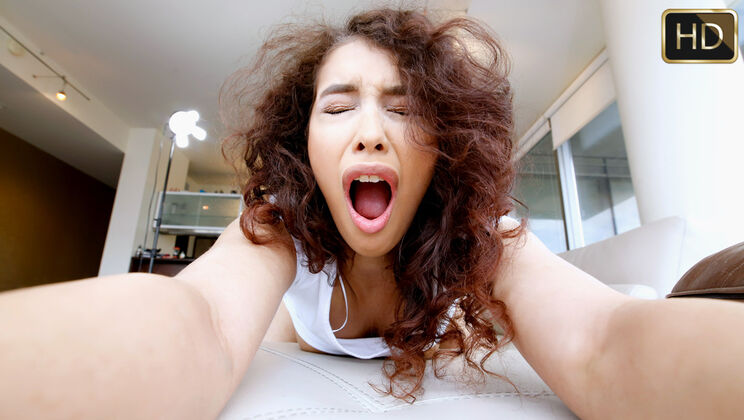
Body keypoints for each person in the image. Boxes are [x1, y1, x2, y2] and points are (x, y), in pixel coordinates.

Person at [1, 7, 743, 420]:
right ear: (304, 145)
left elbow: (603, 343)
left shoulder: (489, 241)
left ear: (443, 143)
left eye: (403, 108)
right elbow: (198, 322)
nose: (369, 131)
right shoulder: (278, 231)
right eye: (338, 107)